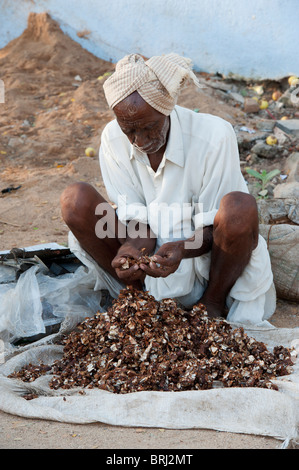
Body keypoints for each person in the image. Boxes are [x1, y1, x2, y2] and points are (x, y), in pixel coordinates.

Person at [60, 53, 275, 324]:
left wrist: (182, 249)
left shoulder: (214, 136)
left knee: (240, 208)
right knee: (74, 200)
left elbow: (218, 228)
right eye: (129, 131)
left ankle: (212, 303)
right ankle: (137, 299)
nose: (139, 141)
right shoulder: (113, 139)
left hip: (207, 260)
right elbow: (138, 220)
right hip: (152, 260)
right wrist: (131, 251)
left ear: (167, 109)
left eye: (149, 127)